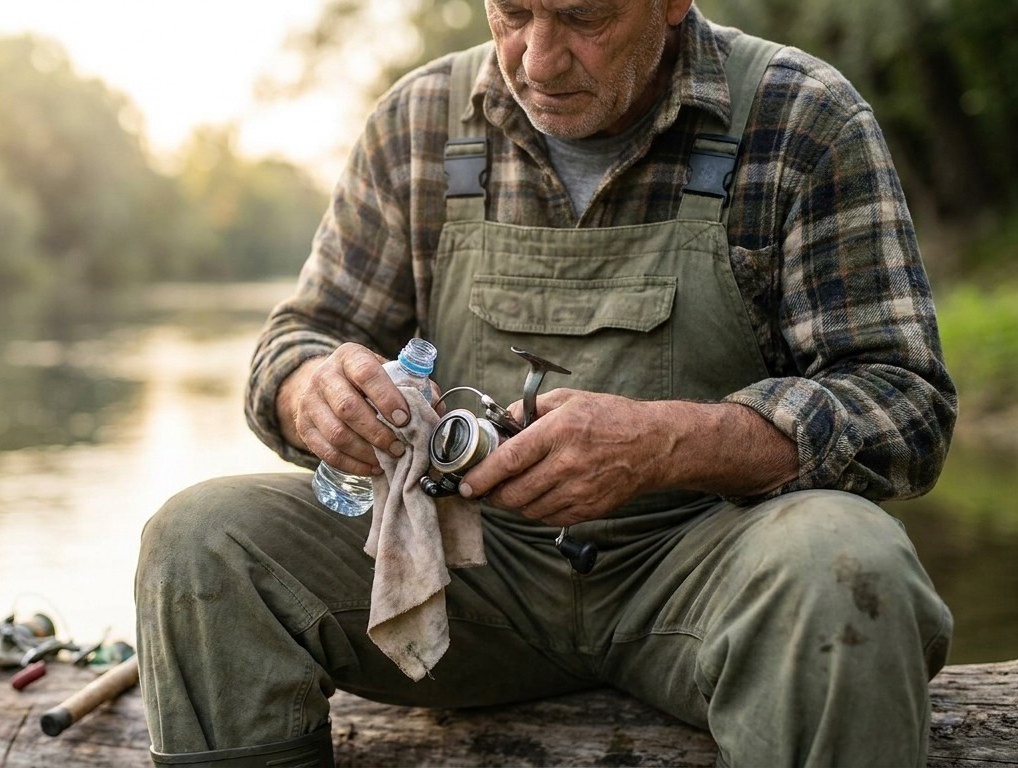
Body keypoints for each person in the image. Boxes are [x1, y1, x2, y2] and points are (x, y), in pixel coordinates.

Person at [136, 0, 957, 764]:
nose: (538, 60)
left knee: (847, 561)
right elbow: (296, 340)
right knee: (202, 537)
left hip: (715, 573)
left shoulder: (800, 115)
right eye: (511, 12)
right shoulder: (418, 121)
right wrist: (310, 389)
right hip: (464, 582)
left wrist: (670, 444)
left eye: (583, 17)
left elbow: (902, 403)